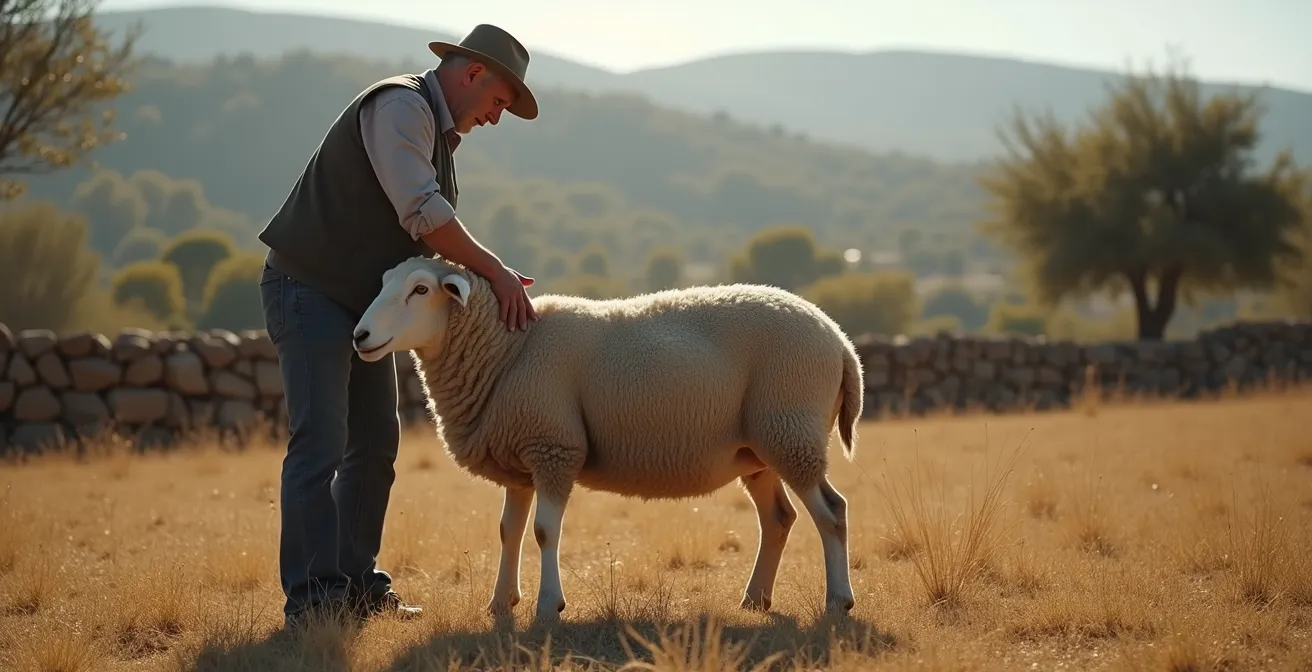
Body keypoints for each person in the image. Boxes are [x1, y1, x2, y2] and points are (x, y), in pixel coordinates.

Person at [256, 24, 540, 630]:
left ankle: (356, 585)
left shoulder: (434, 132)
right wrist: (495, 271)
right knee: (321, 444)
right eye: (497, 103)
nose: (494, 118)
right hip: (307, 289)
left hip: (356, 304)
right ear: (471, 74)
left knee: (376, 445)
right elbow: (422, 212)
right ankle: (311, 601)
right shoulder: (399, 106)